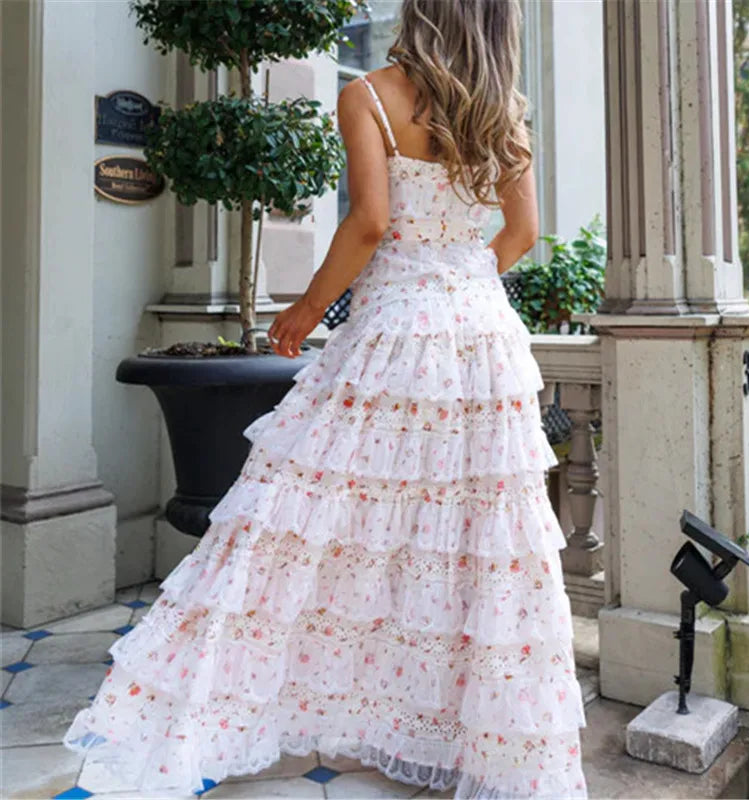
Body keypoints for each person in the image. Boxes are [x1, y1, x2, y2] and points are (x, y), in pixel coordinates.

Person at [62, 1, 588, 797]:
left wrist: (306, 311)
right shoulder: (502, 113)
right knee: (467, 540)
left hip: (395, 335)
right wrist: (457, 278)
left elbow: (370, 223)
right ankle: (441, 727)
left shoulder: (370, 94)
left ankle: (280, 703)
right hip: (485, 341)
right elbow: (520, 235)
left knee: (312, 517)